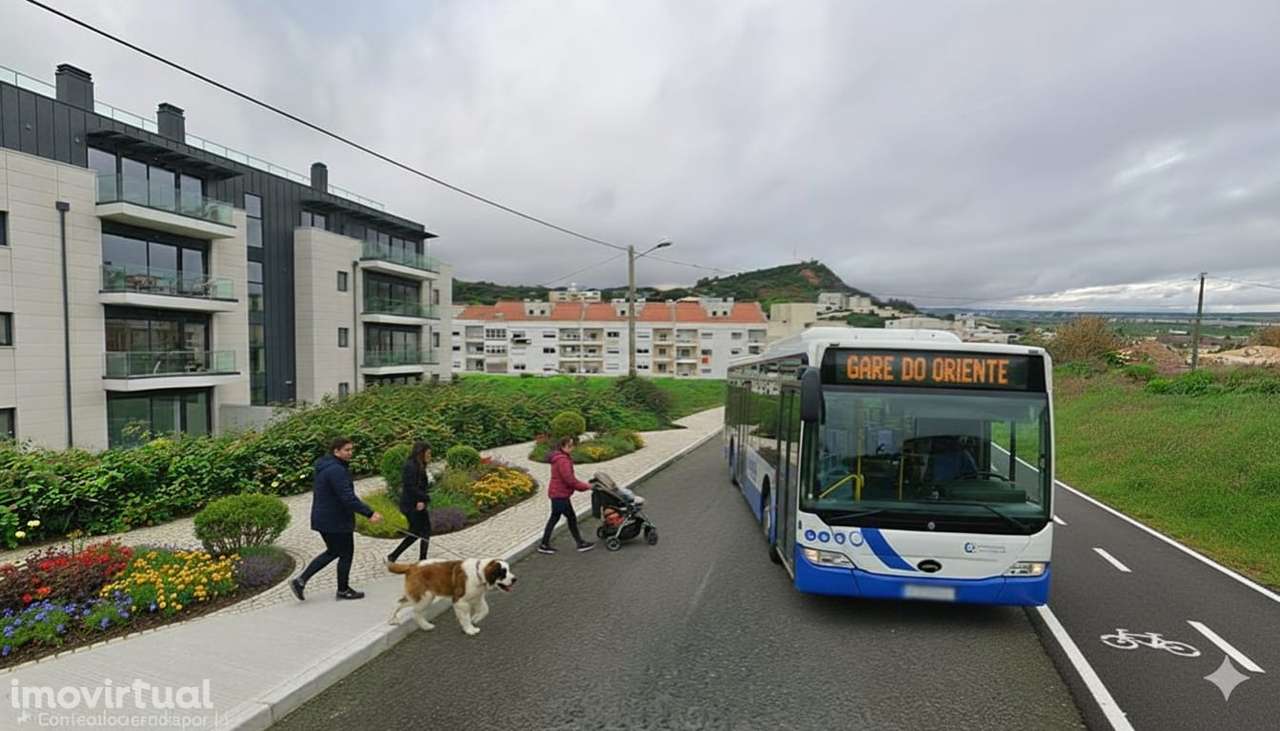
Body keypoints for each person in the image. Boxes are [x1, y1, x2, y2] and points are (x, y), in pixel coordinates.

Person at [291, 437, 383, 601]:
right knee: (345, 553)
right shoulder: (336, 470)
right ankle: (343, 590)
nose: (350, 453)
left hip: (325, 519)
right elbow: (347, 498)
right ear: (336, 451)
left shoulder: (327, 466)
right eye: (347, 450)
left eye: (351, 449)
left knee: (333, 551)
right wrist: (370, 513)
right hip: (335, 520)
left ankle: (301, 581)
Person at [537, 436, 595, 554]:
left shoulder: (560, 458)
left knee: (556, 518)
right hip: (560, 495)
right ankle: (580, 543)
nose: (572, 448)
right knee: (570, 518)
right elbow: (569, 480)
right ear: (563, 446)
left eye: (572, 445)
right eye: (570, 446)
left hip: (558, 493)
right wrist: (586, 487)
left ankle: (544, 544)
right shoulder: (562, 460)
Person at [386, 441, 433, 563]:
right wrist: (421, 499)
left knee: (422, 531)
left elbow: (421, 485)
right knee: (418, 532)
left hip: (418, 502)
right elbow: (410, 487)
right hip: (412, 504)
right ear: (421, 453)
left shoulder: (419, 464)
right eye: (428, 453)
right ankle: (395, 556)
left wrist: (423, 499)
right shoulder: (411, 466)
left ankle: (418, 558)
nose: (430, 456)